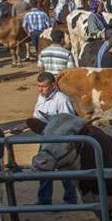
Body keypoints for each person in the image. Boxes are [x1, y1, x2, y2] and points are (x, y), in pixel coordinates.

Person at [33, 72, 78, 206]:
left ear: (53, 85)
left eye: (44, 86)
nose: (41, 89)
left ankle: (70, 199)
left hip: (58, 142)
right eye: (39, 86)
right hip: (45, 140)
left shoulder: (62, 99)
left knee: (64, 170)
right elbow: (37, 116)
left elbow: (67, 121)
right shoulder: (40, 98)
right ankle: (44, 200)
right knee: (44, 169)